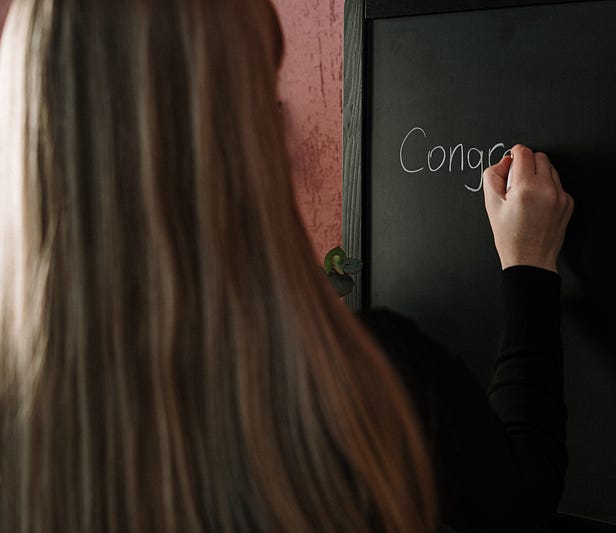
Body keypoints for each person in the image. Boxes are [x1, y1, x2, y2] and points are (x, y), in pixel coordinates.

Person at [0, 1, 572, 532]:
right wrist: (531, 265)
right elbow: (521, 502)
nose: (292, 134)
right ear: (238, 145)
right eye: (266, 99)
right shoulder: (365, 388)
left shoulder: (28, 431)